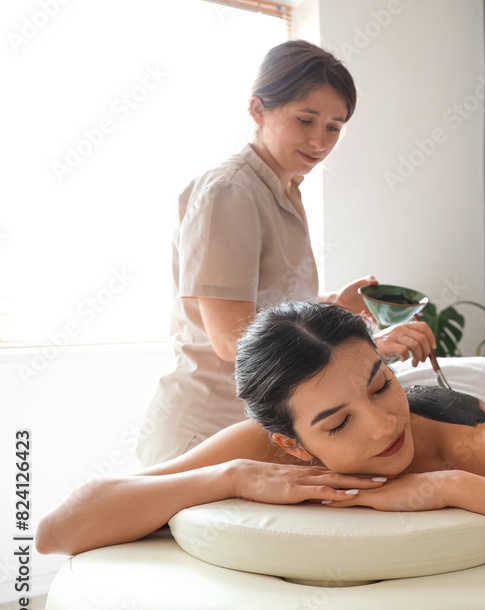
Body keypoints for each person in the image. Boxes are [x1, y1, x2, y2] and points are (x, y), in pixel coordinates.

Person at [38, 302, 485, 582]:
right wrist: (227, 477)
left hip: (484, 392)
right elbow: (56, 530)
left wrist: (455, 486)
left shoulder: (467, 438)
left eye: (379, 384)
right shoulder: (262, 446)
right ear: (289, 444)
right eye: (337, 424)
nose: (380, 426)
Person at [137, 40, 434, 467]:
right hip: (205, 428)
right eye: (305, 119)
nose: (319, 140)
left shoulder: (283, 189)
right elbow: (229, 339)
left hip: (253, 426)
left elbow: (266, 312)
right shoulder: (231, 192)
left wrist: (333, 307)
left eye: (334, 126)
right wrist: (368, 351)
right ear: (258, 110)